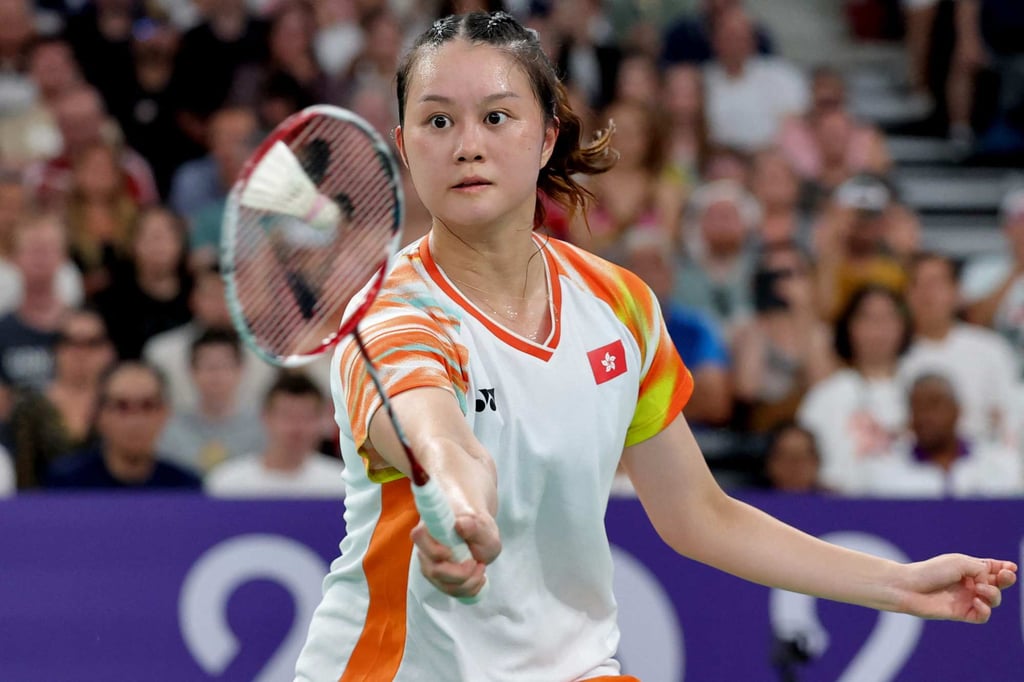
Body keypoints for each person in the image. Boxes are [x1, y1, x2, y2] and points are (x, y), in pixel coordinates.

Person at [294, 12, 1017, 681]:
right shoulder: (389, 313)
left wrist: (900, 583)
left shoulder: (619, 306)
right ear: (403, 146)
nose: (468, 144)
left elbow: (701, 514)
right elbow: (436, 435)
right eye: (437, 120)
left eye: (496, 116)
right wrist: (462, 507)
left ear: (547, 136)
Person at [797, 285, 913, 495]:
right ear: (849, 327)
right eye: (867, 318)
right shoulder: (824, 396)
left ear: (903, 326)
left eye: (887, 318)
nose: (878, 328)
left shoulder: (923, 392)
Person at [900, 252, 1021, 446]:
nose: (926, 293)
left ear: (956, 292)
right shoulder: (894, 356)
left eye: (935, 283)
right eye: (916, 284)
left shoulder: (991, 348)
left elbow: (1010, 417)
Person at [860, 373, 1024, 498]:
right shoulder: (887, 470)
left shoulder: (995, 464)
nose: (925, 416)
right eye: (917, 407)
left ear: (957, 411)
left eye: (935, 405)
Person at [5, 307, 115, 489]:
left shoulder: (123, 405)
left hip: (114, 505)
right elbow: (22, 478)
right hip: (45, 509)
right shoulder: (30, 407)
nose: (81, 353)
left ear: (109, 350)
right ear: (56, 348)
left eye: (92, 343)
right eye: (71, 342)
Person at [45, 360, 199, 490]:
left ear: (165, 413)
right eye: (121, 406)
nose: (135, 420)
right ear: (99, 415)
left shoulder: (186, 489)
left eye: (147, 406)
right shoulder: (66, 485)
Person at [205, 372, 344, 498]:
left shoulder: (340, 485)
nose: (296, 427)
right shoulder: (227, 484)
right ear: (265, 417)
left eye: (306, 417)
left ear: (322, 420)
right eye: (287, 416)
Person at [157, 327, 264, 476]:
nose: (216, 375)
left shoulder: (263, 428)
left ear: (241, 370)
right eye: (208, 367)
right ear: (191, 371)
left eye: (224, 366)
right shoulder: (169, 429)